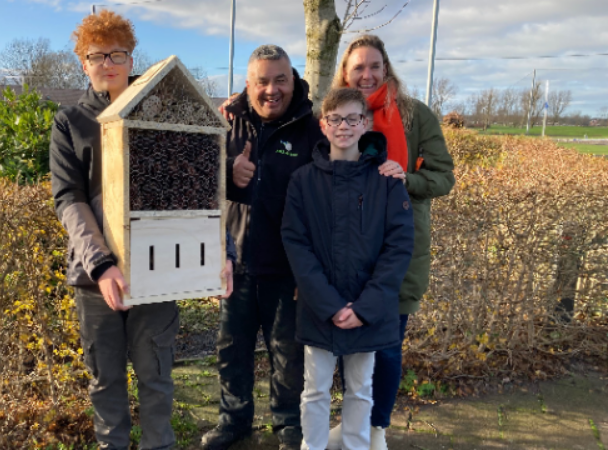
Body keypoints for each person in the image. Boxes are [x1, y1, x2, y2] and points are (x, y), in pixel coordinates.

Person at [49, 11, 235, 449]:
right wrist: (102, 264)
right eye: (97, 55)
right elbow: (68, 199)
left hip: (156, 272)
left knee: (156, 378)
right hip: (97, 281)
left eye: (118, 53)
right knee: (105, 380)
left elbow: (196, 191)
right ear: (83, 62)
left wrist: (218, 252)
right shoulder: (71, 122)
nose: (108, 62)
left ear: (131, 59)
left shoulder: (161, 117)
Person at [326, 34, 456, 450]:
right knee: (346, 343)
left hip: (399, 246)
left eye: (374, 66)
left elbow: (443, 177)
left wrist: (407, 178)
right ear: (345, 72)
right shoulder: (330, 114)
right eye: (357, 67)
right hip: (344, 248)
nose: (366, 75)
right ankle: (350, 426)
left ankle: (376, 427)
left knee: (386, 344)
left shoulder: (415, 116)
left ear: (386, 69)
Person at [200, 45, 324, 450]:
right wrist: (227, 172)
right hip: (234, 263)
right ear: (249, 84)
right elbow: (197, 180)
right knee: (231, 350)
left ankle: (288, 424)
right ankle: (233, 420)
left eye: (280, 79)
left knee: (287, 355)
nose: (272, 89)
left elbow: (327, 199)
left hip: (287, 267)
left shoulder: (313, 128)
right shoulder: (226, 123)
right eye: (262, 81)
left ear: (294, 79)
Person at [281, 87, 414, 450]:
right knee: (315, 389)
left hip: (367, 310)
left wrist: (364, 307)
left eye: (353, 118)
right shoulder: (303, 181)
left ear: (365, 123)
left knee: (361, 389)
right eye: (336, 119)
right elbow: (296, 244)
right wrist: (330, 305)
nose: (344, 126)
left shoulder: (387, 182)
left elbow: (398, 248)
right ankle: (313, 446)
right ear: (323, 125)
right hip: (319, 308)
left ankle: (357, 445)